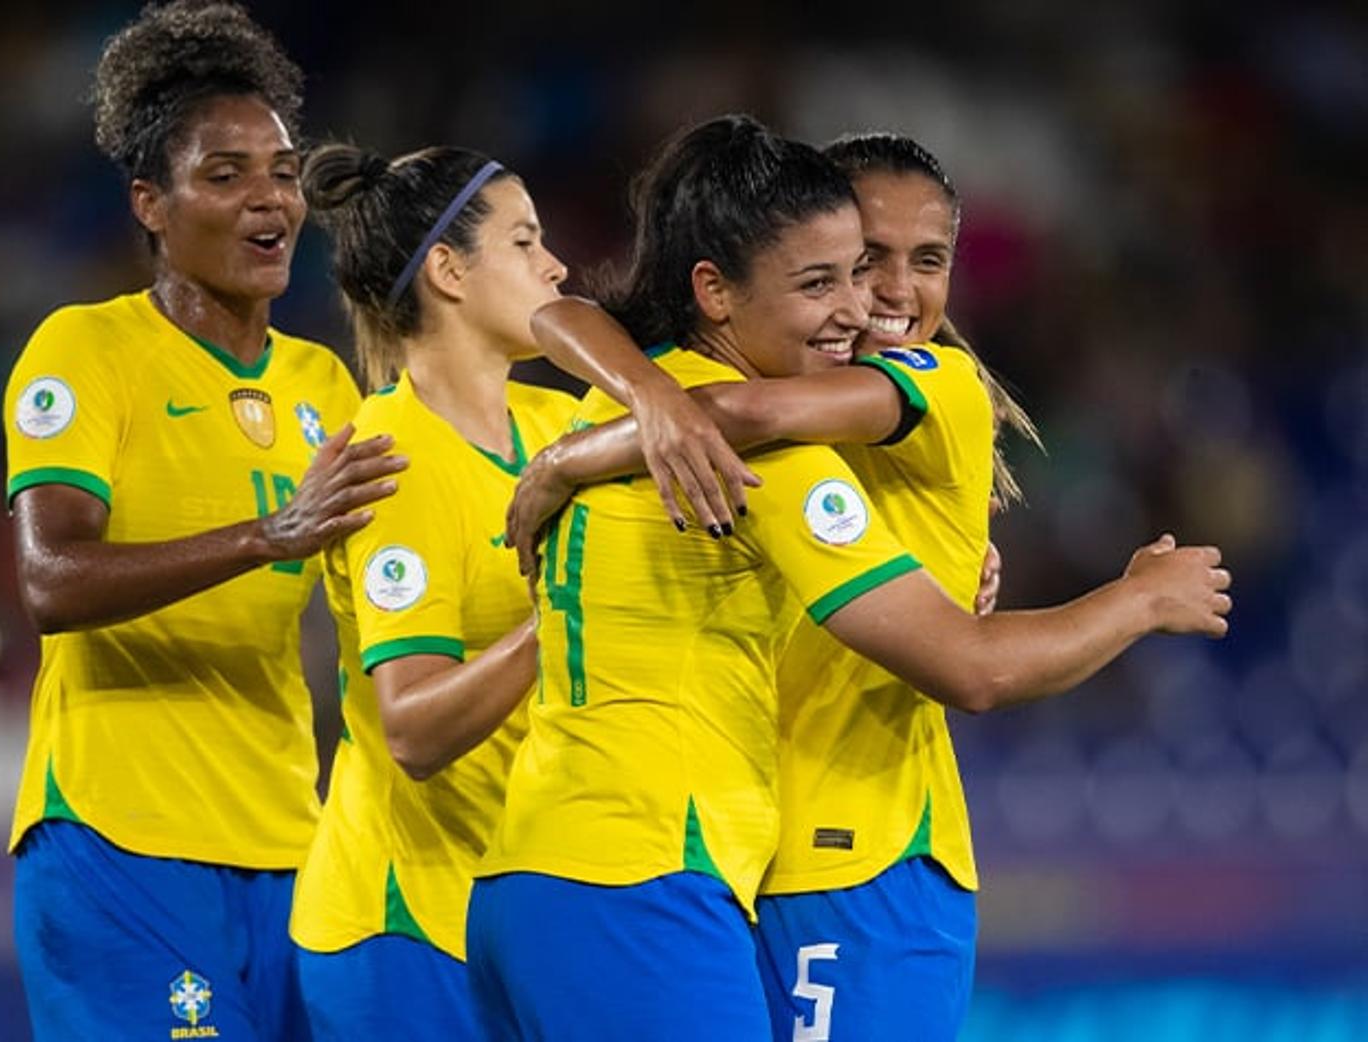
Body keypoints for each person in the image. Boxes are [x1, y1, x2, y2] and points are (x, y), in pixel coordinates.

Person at [468, 115, 1231, 1041]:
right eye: (850, 264)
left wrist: (570, 458)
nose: (885, 294)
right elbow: (578, 322)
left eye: (929, 260)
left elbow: (728, 408)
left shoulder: (904, 391)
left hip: (847, 853)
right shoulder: (712, 405)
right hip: (705, 857)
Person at [2, 4, 400, 1039]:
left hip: (288, 838)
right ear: (152, 203)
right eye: (225, 175)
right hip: (119, 843)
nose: (269, 198)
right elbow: (51, 579)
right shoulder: (84, 351)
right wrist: (267, 536)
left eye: (281, 170)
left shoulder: (325, 382)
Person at [287, 144, 575, 1041]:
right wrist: (559, 618)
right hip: (405, 926)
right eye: (524, 243)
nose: (555, 266)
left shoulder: (563, 427)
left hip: (517, 901)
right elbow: (411, 727)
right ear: (448, 271)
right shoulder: (393, 461)